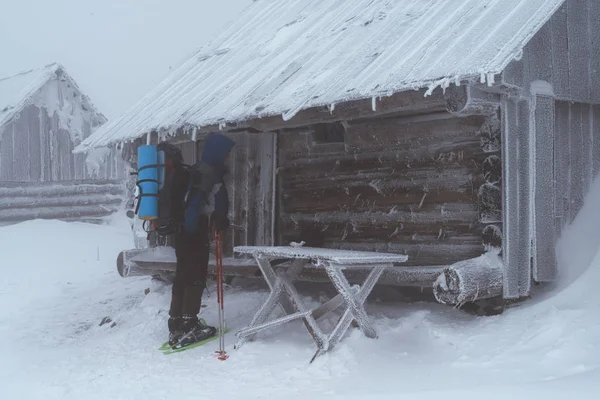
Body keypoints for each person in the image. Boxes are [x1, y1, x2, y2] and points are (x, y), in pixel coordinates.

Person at [167, 133, 235, 347]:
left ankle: (176, 323)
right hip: (193, 231)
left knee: (182, 275)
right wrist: (199, 226)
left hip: (183, 232)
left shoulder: (196, 169)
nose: (227, 156)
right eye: (226, 152)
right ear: (218, 152)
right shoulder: (208, 173)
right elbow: (197, 203)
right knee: (195, 275)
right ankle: (189, 324)